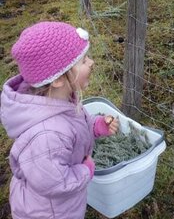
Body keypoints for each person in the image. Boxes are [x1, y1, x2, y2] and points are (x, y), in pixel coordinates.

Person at [0, 21, 119, 219]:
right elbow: (55, 182)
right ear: (57, 79)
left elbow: (75, 127)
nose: (91, 62)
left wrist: (96, 126)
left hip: (62, 205)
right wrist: (85, 171)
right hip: (49, 213)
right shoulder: (47, 135)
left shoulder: (61, 100)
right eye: (83, 61)